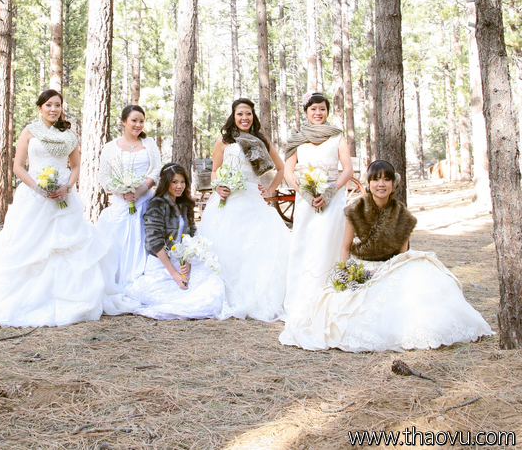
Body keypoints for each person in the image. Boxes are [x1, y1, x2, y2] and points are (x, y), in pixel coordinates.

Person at [0, 89, 131, 327]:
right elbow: (18, 167)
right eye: (49, 105)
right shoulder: (29, 131)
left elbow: (75, 166)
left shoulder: (69, 133)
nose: (54, 109)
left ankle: (67, 295)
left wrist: (67, 186)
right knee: (27, 244)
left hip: (63, 196)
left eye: (57, 105)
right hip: (34, 195)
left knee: (66, 245)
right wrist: (38, 188)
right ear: (40, 107)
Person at [281, 160, 492, 352]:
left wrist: (388, 271)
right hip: (363, 266)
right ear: (369, 183)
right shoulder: (355, 210)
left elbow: (403, 253)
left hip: (392, 267)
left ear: (393, 183)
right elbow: (345, 248)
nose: (381, 184)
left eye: (386, 179)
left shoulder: (401, 214)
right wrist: (347, 273)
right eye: (376, 179)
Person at [198, 97, 290, 321]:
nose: (244, 118)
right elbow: (215, 170)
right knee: (226, 247)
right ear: (233, 116)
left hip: (253, 200)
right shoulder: (224, 141)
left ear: (253, 116)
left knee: (255, 249)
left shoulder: (261, 140)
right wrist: (218, 186)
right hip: (228, 201)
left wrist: (270, 190)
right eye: (240, 113)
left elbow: (281, 168)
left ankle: (254, 294)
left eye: (248, 113)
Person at [279, 91, 353, 347]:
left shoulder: (337, 136)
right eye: (313, 109)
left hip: (332, 198)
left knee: (329, 243)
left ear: (327, 111)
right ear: (306, 112)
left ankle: (331, 294)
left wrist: (331, 191)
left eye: (322, 109)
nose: (318, 113)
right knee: (306, 244)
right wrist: (306, 193)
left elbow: (347, 169)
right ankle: (303, 297)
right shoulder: (297, 139)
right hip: (306, 199)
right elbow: (288, 171)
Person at [124, 164, 225, 319]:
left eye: (182, 182)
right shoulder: (157, 204)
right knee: (181, 297)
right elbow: (154, 242)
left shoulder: (184, 204)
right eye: (175, 182)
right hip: (162, 263)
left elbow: (191, 235)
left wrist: (188, 261)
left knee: (212, 287)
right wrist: (175, 274)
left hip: (181, 260)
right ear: (166, 183)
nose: (179, 186)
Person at [96, 104, 161, 287]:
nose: (138, 125)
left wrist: (140, 191)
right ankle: (118, 282)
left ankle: (141, 280)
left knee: (144, 238)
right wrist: (122, 193)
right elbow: (104, 177)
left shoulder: (149, 144)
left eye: (141, 121)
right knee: (120, 242)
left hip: (145, 202)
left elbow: (156, 169)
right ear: (124, 121)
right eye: (134, 120)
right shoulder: (110, 147)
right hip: (121, 203)